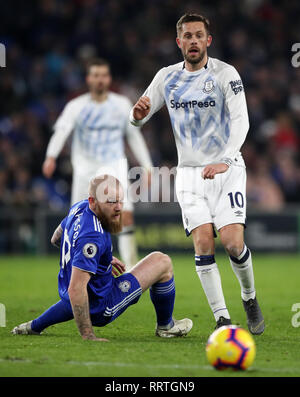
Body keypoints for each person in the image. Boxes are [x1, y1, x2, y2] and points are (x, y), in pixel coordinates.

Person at [129, 13, 264, 334]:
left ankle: (249, 297)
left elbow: (242, 120)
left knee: (233, 243)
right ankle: (222, 318)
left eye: (198, 35)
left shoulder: (225, 74)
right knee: (203, 242)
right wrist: (135, 117)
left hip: (226, 170)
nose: (192, 40)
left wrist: (227, 158)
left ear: (208, 41)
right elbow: (140, 115)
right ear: (178, 42)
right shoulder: (166, 77)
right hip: (189, 174)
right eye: (186, 36)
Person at [12, 175, 193, 340]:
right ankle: (166, 326)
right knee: (162, 262)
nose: (119, 207)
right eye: (112, 202)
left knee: (77, 288)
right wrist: (88, 335)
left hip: (72, 295)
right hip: (101, 306)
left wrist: (98, 258)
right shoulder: (92, 235)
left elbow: (56, 238)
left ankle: (33, 326)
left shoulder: (78, 207)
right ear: (93, 201)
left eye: (121, 201)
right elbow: (77, 290)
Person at [42, 58, 153, 270]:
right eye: (95, 75)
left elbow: (134, 136)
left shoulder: (121, 104)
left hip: (115, 165)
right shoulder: (76, 106)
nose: (100, 80)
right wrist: (51, 156)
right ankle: (74, 266)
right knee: (77, 218)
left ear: (108, 78)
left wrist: (146, 165)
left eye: (103, 75)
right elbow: (62, 131)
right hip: (85, 168)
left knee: (125, 214)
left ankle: (129, 269)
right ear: (88, 79)